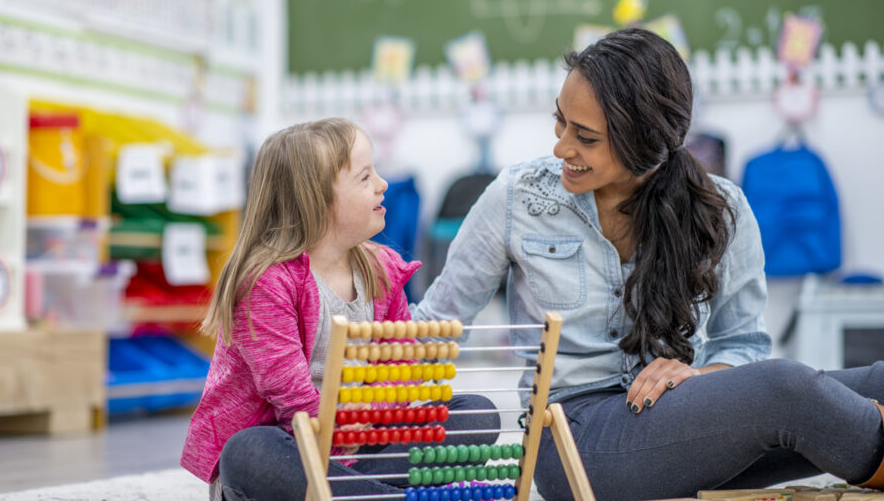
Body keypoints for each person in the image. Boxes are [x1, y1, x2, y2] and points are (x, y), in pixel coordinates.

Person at [412, 28, 884, 500]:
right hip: (576, 442)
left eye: (586, 137)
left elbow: (743, 344)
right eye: (561, 122)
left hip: (683, 427)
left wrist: (699, 377)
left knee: (873, 381)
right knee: (788, 390)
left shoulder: (723, 208)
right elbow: (437, 322)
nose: (561, 147)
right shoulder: (517, 198)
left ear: (645, 144)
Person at [181, 118, 499, 501]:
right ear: (315, 199)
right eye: (365, 178)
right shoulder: (266, 282)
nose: (382, 184)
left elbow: (398, 368)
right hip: (290, 447)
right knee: (248, 450)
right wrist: (340, 439)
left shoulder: (383, 270)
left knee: (475, 415)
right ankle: (377, 494)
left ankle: (359, 493)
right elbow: (293, 399)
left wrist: (363, 425)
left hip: (359, 447)